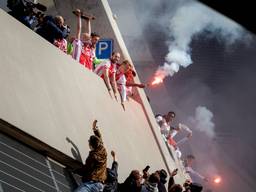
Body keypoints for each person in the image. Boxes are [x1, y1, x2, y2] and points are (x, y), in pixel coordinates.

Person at [74, 120, 107, 192]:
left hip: (91, 184)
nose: (88, 142)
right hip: (100, 186)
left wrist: (75, 170)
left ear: (91, 145)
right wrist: (95, 128)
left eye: (89, 141)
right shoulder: (103, 150)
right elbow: (99, 138)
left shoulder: (92, 157)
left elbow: (86, 168)